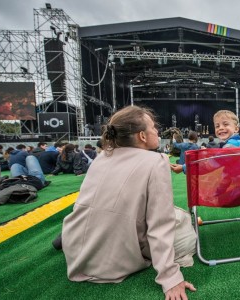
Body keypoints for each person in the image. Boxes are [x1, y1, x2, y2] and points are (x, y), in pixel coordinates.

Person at [60, 106, 196, 299]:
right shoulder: (157, 160)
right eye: (153, 127)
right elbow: (160, 223)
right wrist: (170, 278)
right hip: (113, 262)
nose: (157, 130)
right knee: (183, 226)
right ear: (142, 135)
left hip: (75, 251)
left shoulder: (101, 158)